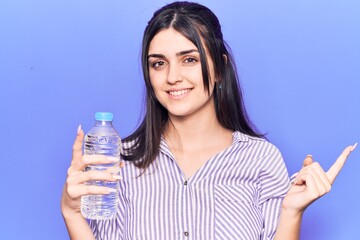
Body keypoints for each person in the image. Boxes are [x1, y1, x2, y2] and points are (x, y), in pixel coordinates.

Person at [61, 2, 357, 239]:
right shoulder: (119, 161)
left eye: (189, 59)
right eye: (158, 63)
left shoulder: (261, 159)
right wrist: (72, 212)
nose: (172, 76)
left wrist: (292, 211)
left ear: (219, 69)